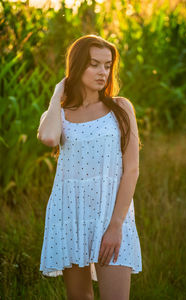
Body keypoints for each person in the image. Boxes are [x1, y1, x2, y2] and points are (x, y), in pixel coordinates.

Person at [37, 34, 142, 300]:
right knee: (79, 297)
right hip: (70, 215)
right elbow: (48, 138)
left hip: (112, 215)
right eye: (94, 64)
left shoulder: (120, 108)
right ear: (77, 66)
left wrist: (116, 225)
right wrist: (57, 94)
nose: (103, 72)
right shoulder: (58, 115)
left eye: (107, 66)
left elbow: (131, 169)